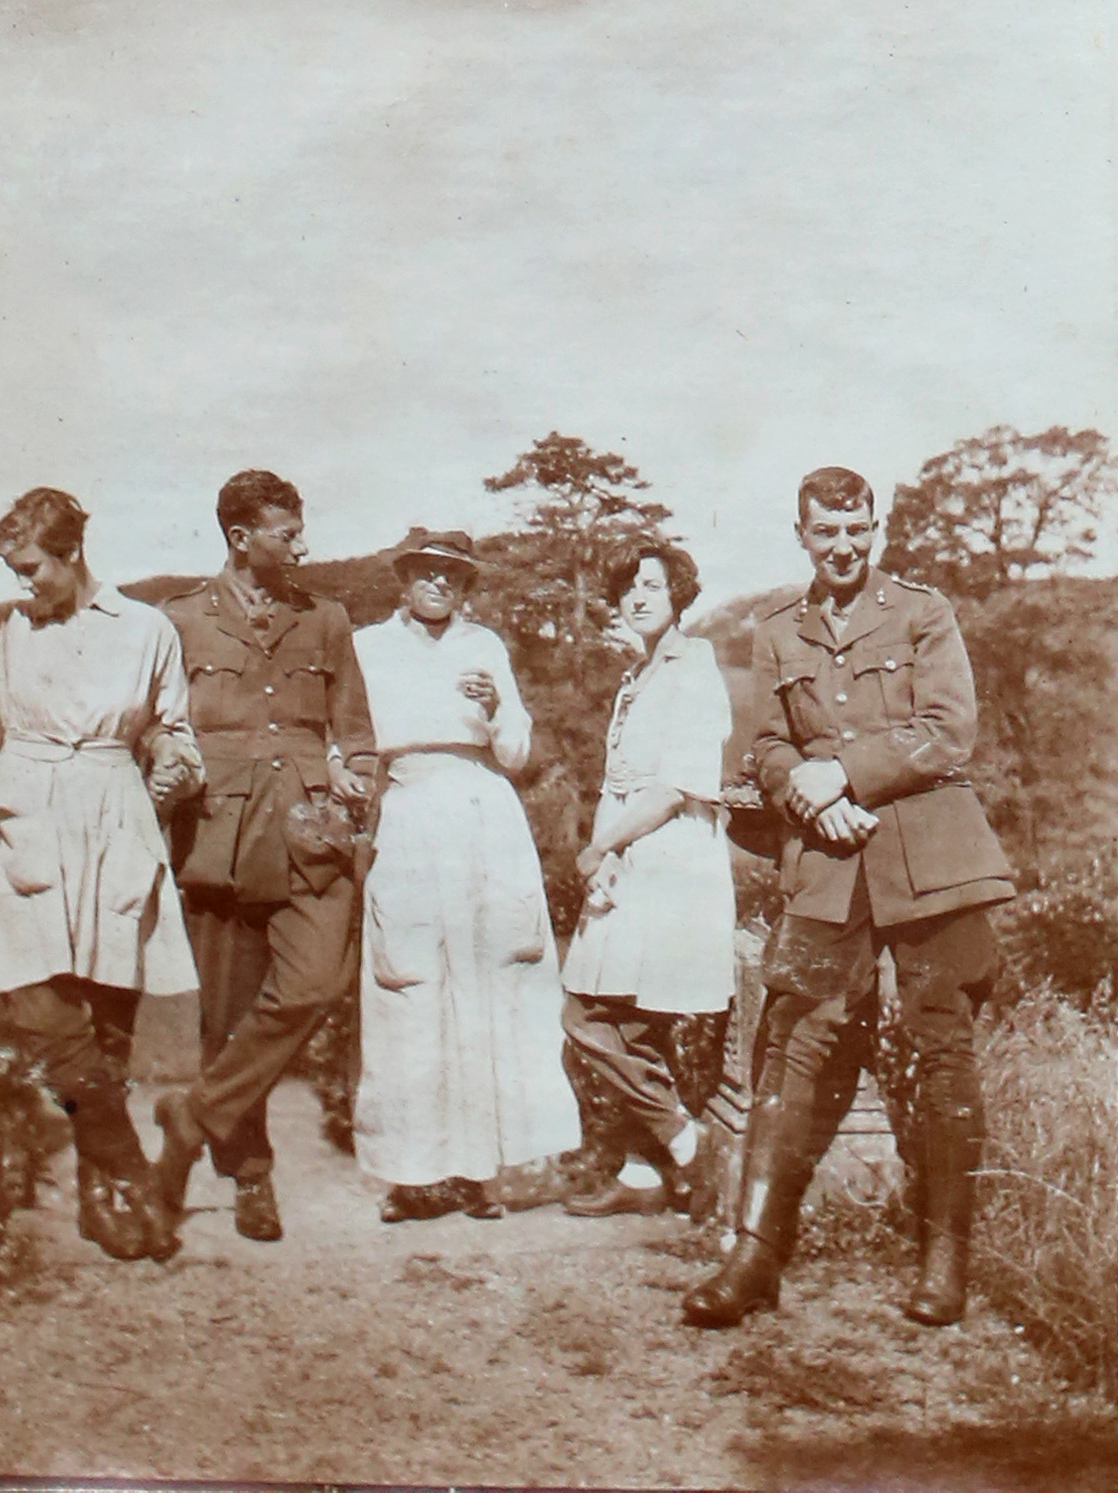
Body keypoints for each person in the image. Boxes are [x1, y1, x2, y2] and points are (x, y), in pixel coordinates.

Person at [682, 466, 1016, 1330]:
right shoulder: (776, 631)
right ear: (802, 535)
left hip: (932, 853)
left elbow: (949, 733)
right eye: (826, 532)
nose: (844, 547)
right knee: (795, 1040)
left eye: (857, 530)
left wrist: (845, 773)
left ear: (875, 528)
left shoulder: (920, 611)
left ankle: (945, 1263)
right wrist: (805, 788)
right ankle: (755, 1257)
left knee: (944, 1046)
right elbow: (762, 745)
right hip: (827, 858)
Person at [0, 488, 205, 1262]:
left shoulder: (146, 628)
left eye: (33, 569)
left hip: (116, 811)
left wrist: (173, 770)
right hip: (30, 817)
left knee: (108, 1021)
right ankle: (131, 1170)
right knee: (47, 1017)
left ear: (73, 553)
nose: (26, 585)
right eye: (13, 570)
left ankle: (102, 1201)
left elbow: (174, 728)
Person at [152, 470, 377, 1241]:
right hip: (217, 834)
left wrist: (354, 781)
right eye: (287, 533)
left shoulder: (327, 620)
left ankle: (192, 1116)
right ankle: (250, 1177)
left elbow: (359, 733)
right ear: (241, 538)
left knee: (317, 982)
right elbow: (155, 722)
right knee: (227, 1017)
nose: (302, 546)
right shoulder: (177, 621)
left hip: (311, 835)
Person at [350, 528, 580, 1221]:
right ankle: (412, 1177)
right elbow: (354, 738)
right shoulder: (367, 647)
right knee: (411, 992)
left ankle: (482, 1175)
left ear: (466, 587)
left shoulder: (484, 648)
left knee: (488, 989)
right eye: (425, 572)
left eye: (452, 577)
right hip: (411, 810)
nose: (437, 585)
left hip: (482, 813)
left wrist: (494, 708)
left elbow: (513, 752)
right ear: (404, 578)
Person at [559, 542, 735, 1217]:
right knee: (629, 1022)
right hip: (633, 857)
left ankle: (685, 1142)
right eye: (629, 587)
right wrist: (608, 852)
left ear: (678, 595)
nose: (638, 598)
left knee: (585, 1014)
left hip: (670, 860)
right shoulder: (638, 676)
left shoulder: (695, 667)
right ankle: (643, 1176)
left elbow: (670, 788)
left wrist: (599, 845)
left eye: (653, 587)